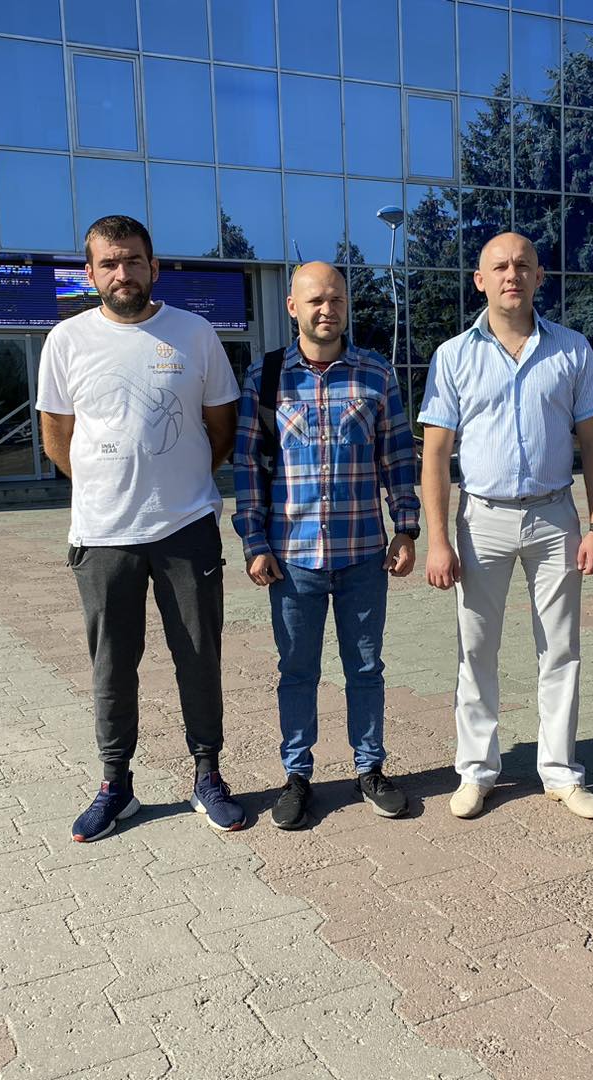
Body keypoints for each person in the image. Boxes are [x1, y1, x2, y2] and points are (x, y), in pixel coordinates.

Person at [37, 214, 245, 842]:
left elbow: (221, 428)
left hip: (186, 526)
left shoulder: (195, 334)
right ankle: (115, 786)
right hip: (103, 535)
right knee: (111, 665)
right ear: (90, 273)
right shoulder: (66, 341)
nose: (121, 272)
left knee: (199, 657)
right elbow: (56, 438)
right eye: (109, 263)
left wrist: (176, 481)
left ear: (153, 267)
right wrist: (108, 486)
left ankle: (208, 775)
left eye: (132, 260)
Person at [420, 232, 593, 821]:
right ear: (480, 280)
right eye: (500, 266)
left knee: (560, 648)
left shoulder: (572, 350)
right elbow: (436, 454)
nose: (512, 274)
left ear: (539, 276)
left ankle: (560, 771)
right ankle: (477, 771)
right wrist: (438, 539)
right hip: (482, 518)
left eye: (523, 265)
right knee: (476, 649)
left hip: (555, 517)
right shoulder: (454, 355)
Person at [232, 262, 420, 830]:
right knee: (296, 670)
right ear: (293, 307)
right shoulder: (266, 377)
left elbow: (397, 457)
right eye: (315, 300)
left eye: (335, 299)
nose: (326, 309)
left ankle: (370, 768)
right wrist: (254, 541)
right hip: (292, 561)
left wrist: (406, 527)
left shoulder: (375, 373)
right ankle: (297, 776)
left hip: (362, 553)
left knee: (365, 666)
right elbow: (249, 465)